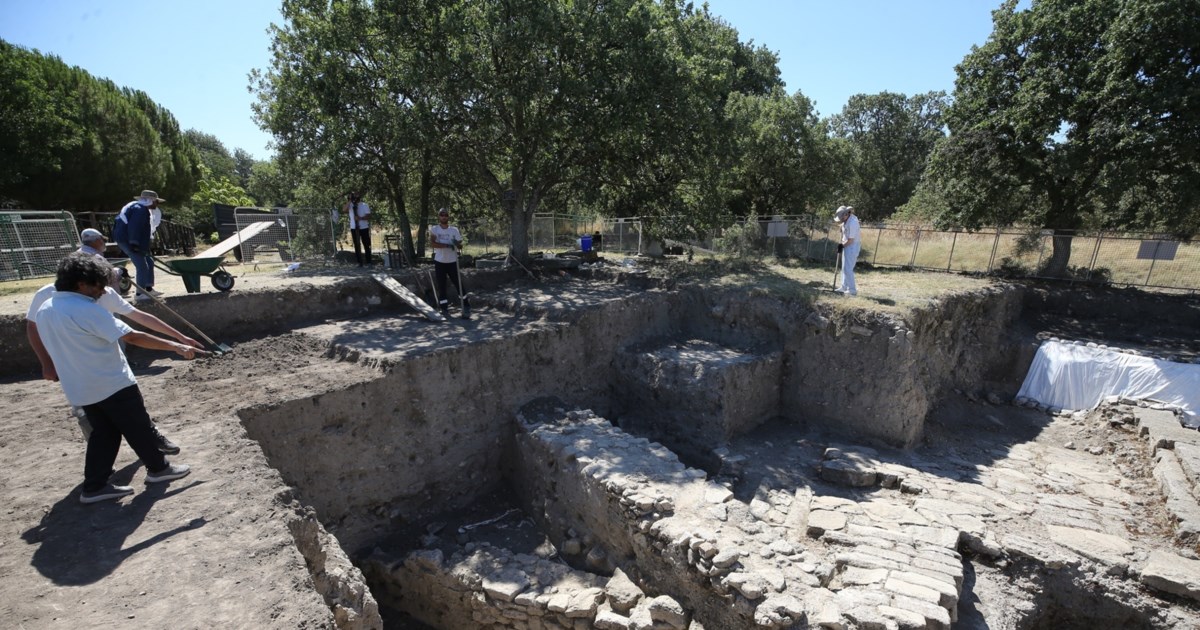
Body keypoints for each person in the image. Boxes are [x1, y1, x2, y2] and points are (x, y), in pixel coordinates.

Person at [34, 253, 207, 504]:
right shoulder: (85, 309)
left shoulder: (46, 308)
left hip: (80, 388)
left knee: (104, 434)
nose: (102, 291)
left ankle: (94, 486)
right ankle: (160, 470)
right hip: (110, 382)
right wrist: (175, 347)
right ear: (81, 284)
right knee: (138, 427)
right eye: (98, 285)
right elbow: (133, 336)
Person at [113, 189, 165, 301]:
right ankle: (140, 294)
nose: (157, 204)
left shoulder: (137, 207)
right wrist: (134, 243)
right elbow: (134, 227)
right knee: (142, 266)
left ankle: (148, 289)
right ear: (150, 200)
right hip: (127, 240)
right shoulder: (140, 209)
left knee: (148, 262)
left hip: (128, 239)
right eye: (156, 201)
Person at [429, 208, 470, 319]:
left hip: (452, 262)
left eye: (446, 215)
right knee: (442, 285)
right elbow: (433, 244)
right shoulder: (435, 229)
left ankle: (466, 305)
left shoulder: (454, 230)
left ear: (448, 217)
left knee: (458, 284)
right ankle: (444, 308)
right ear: (439, 216)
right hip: (440, 262)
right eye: (442, 215)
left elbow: (459, 244)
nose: (444, 217)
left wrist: (457, 244)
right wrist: (447, 245)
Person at [79, 228, 126, 295]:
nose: (103, 242)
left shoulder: (77, 254)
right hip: (100, 296)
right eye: (103, 240)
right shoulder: (96, 257)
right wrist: (119, 270)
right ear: (97, 240)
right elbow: (109, 277)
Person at [834, 205, 861, 296]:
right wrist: (841, 227)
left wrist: (842, 246)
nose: (841, 219)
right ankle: (844, 287)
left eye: (842, 218)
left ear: (846, 214)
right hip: (847, 245)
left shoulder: (853, 222)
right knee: (844, 268)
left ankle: (852, 290)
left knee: (848, 269)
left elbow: (851, 240)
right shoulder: (846, 220)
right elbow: (844, 226)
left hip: (852, 246)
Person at [346, 192, 372, 267]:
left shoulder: (364, 205)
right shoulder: (350, 205)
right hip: (354, 228)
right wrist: (350, 200)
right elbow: (344, 209)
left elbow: (368, 216)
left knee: (366, 244)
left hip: (364, 227)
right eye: (354, 197)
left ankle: (369, 262)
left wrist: (360, 218)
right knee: (357, 245)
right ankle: (359, 262)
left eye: (356, 197)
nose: (355, 199)